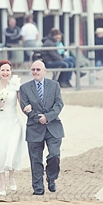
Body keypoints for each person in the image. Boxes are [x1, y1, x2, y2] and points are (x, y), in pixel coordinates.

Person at [19, 60, 64, 195]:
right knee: (35, 159)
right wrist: (39, 118)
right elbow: (24, 107)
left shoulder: (54, 85)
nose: (35, 72)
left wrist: (48, 117)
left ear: (44, 71)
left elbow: (59, 104)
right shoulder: (25, 88)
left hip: (53, 126)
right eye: (33, 70)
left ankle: (51, 178)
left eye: (38, 69)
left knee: (54, 155)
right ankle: (38, 187)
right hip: (34, 128)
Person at [0, 59, 26, 197]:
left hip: (13, 121)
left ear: (11, 71)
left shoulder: (15, 85)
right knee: (0, 151)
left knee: (12, 149)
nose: (5, 72)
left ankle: (11, 177)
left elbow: (22, 103)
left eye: (8, 70)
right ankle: (2, 185)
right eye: (3, 70)